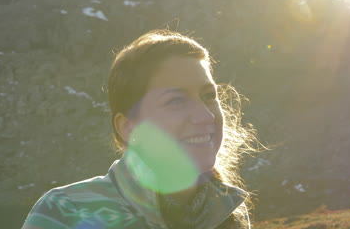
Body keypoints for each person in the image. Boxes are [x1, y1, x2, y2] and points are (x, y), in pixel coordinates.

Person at [22, 30, 258, 229]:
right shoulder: (65, 212)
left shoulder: (229, 212)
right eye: (176, 101)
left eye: (208, 96)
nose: (205, 116)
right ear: (128, 127)